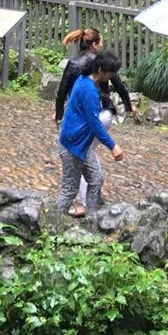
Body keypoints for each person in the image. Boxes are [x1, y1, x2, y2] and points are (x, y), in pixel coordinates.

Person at [58, 51, 124, 217]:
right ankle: (52, 225)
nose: (112, 76)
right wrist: (113, 146)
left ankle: (92, 217)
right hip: (73, 145)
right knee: (70, 190)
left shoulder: (85, 80)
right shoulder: (88, 89)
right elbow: (95, 124)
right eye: (111, 73)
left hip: (82, 144)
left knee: (96, 178)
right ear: (101, 70)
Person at [55, 28, 137, 126]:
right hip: (100, 112)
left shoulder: (72, 64)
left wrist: (58, 116)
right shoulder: (103, 63)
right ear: (94, 45)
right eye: (101, 42)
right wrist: (129, 107)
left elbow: (62, 93)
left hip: (77, 111)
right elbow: (120, 87)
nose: (102, 45)